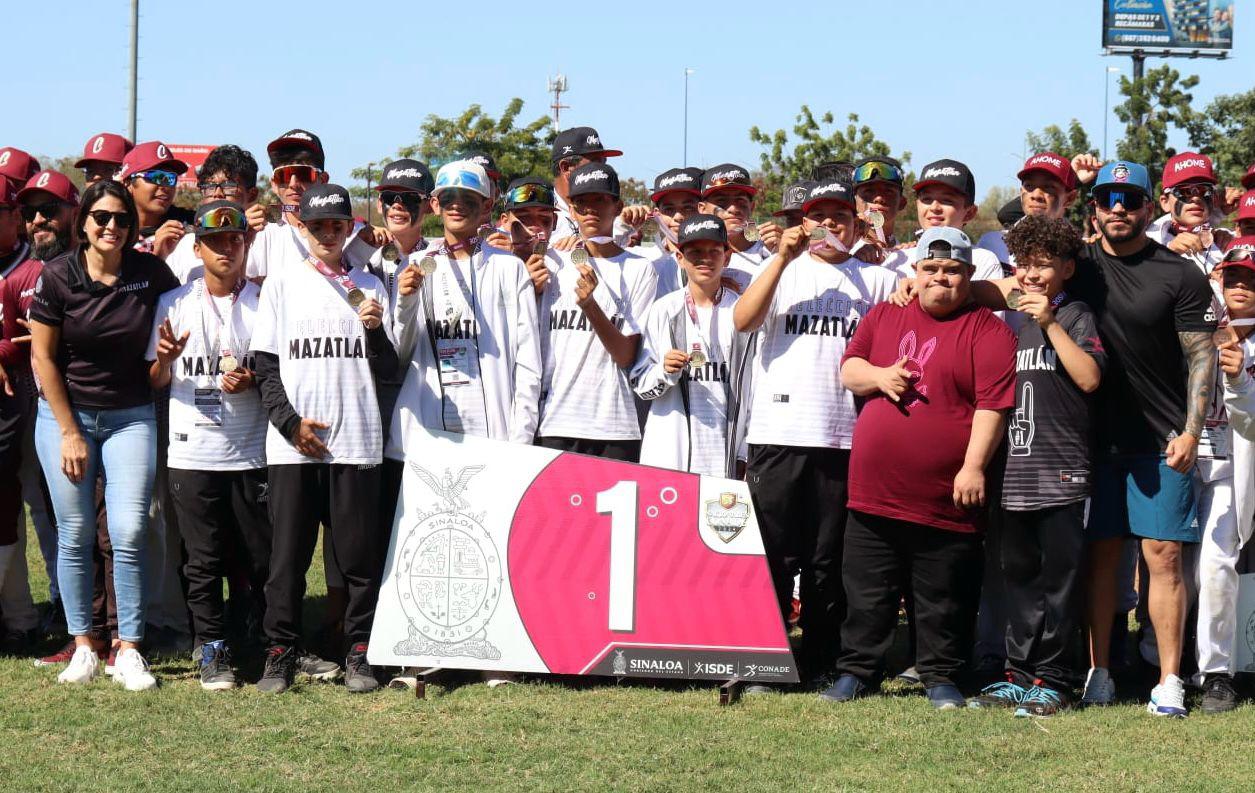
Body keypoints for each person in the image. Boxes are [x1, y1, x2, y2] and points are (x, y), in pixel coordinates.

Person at [959, 160, 1217, 716]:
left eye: (1130, 198)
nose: (1118, 208)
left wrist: (1193, 431)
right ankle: (1098, 670)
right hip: (1087, 440)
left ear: (1152, 206)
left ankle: (1169, 679)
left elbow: (1201, 353)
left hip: (1159, 435)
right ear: (1093, 207)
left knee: (1163, 555)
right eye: (1107, 199)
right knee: (1099, 559)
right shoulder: (1079, 263)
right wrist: (926, 283)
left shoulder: (1180, 274)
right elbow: (1016, 279)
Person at [829, 226, 1016, 710]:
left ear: (970, 276)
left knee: (942, 595)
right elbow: (850, 367)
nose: (940, 278)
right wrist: (878, 376)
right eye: (930, 269)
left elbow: (993, 406)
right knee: (868, 591)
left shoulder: (989, 329)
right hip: (874, 488)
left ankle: (939, 676)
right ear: (914, 272)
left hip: (946, 493)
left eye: (952, 270)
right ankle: (856, 671)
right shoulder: (886, 312)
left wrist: (974, 466)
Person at [733, 178, 899, 685]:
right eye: (818, 216)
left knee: (830, 559)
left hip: (844, 435)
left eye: (839, 216)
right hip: (780, 431)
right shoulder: (780, 269)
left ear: (856, 220)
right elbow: (742, 320)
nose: (829, 225)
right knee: (775, 552)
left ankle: (825, 658)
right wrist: (780, 259)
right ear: (802, 222)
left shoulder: (875, 280)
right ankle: (768, 655)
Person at [28, 178, 180, 690]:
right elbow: (43, 358)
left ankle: (129, 648)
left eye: (121, 219)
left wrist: (165, 362)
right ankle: (85, 645)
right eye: (102, 218)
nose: (112, 227)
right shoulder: (57, 277)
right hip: (64, 419)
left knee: (129, 530)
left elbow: (157, 372)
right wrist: (69, 430)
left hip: (132, 415)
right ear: (84, 224)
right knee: (74, 534)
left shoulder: (151, 274)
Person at [250, 183, 396, 694]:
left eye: (338, 225)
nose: (329, 234)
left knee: (358, 559)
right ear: (303, 228)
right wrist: (291, 425)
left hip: (355, 442)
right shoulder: (282, 283)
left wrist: (375, 331)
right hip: (294, 446)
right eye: (319, 226)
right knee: (286, 561)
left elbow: (390, 369)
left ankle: (359, 650)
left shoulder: (372, 286)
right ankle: (280, 652)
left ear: (351, 227)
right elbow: (265, 368)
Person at [967, 216, 1105, 717]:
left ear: (1067, 268)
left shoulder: (1076, 315)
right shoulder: (1014, 321)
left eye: (1043, 265)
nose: (1031, 275)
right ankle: (1018, 673)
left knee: (1060, 582)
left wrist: (1049, 322)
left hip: (1063, 470)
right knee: (1019, 578)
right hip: (1016, 473)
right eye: (1024, 265)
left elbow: (1090, 379)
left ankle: (1056, 678)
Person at [146, 201, 270, 690]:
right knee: (202, 559)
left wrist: (253, 379)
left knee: (257, 555)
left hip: (250, 449)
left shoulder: (265, 299)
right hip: (192, 450)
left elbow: (278, 373)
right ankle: (211, 649)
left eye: (235, 239)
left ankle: (254, 641)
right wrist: (162, 360)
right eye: (215, 242)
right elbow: (155, 380)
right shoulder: (173, 302)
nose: (226, 248)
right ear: (196, 249)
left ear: (246, 244)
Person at [0, 171, 80, 647]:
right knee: (32, 509)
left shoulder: (37, 270)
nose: (37, 220)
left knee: (63, 514)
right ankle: (42, 609)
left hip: (66, 408)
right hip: (24, 408)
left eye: (48, 210)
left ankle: (71, 614)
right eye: (31, 211)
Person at [535, 162, 657, 460]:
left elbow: (627, 355)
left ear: (617, 206)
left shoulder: (641, 268)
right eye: (582, 203)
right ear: (572, 209)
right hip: (555, 421)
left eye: (600, 200)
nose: (591, 210)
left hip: (615, 426)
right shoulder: (551, 260)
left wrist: (591, 306)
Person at [633, 214, 749, 477]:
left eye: (713, 251)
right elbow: (641, 385)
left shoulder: (742, 311)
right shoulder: (664, 309)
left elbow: (754, 389)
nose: (705, 259)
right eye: (695, 252)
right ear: (680, 258)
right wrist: (664, 371)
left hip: (726, 456)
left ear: (727, 257)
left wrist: (744, 451)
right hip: (669, 457)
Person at [1193, 237, 1255, 713]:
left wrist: (1240, 381)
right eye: (1233, 276)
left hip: (1233, 467)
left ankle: (1216, 672)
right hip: (1182, 458)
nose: (1240, 286)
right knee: (1166, 565)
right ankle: (1156, 658)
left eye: (1250, 280)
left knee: (1216, 564)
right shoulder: (1194, 324)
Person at [164, 145, 262, 283]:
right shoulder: (184, 246)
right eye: (209, 187)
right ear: (197, 249)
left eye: (228, 186)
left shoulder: (270, 239)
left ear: (252, 195)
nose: (217, 194)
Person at [977, 153, 1078, 267]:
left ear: (1070, 198)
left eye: (1049, 187)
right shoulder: (992, 243)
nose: (1036, 195)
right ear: (1021, 193)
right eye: (1029, 186)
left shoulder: (1079, 250)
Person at [117, 141, 194, 259]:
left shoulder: (189, 225)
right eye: (155, 177)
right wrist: (158, 256)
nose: (165, 186)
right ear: (128, 184)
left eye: (170, 178)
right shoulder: (112, 229)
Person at [698, 164, 768, 292]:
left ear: (751, 207)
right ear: (702, 209)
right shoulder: (690, 253)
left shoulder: (770, 251)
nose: (733, 209)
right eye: (721, 202)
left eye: (740, 202)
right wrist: (706, 287)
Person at [549, 126, 623, 242]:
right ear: (566, 167)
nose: (601, 169)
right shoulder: (539, 214)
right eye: (595, 162)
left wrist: (631, 225)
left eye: (603, 162)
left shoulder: (611, 211)